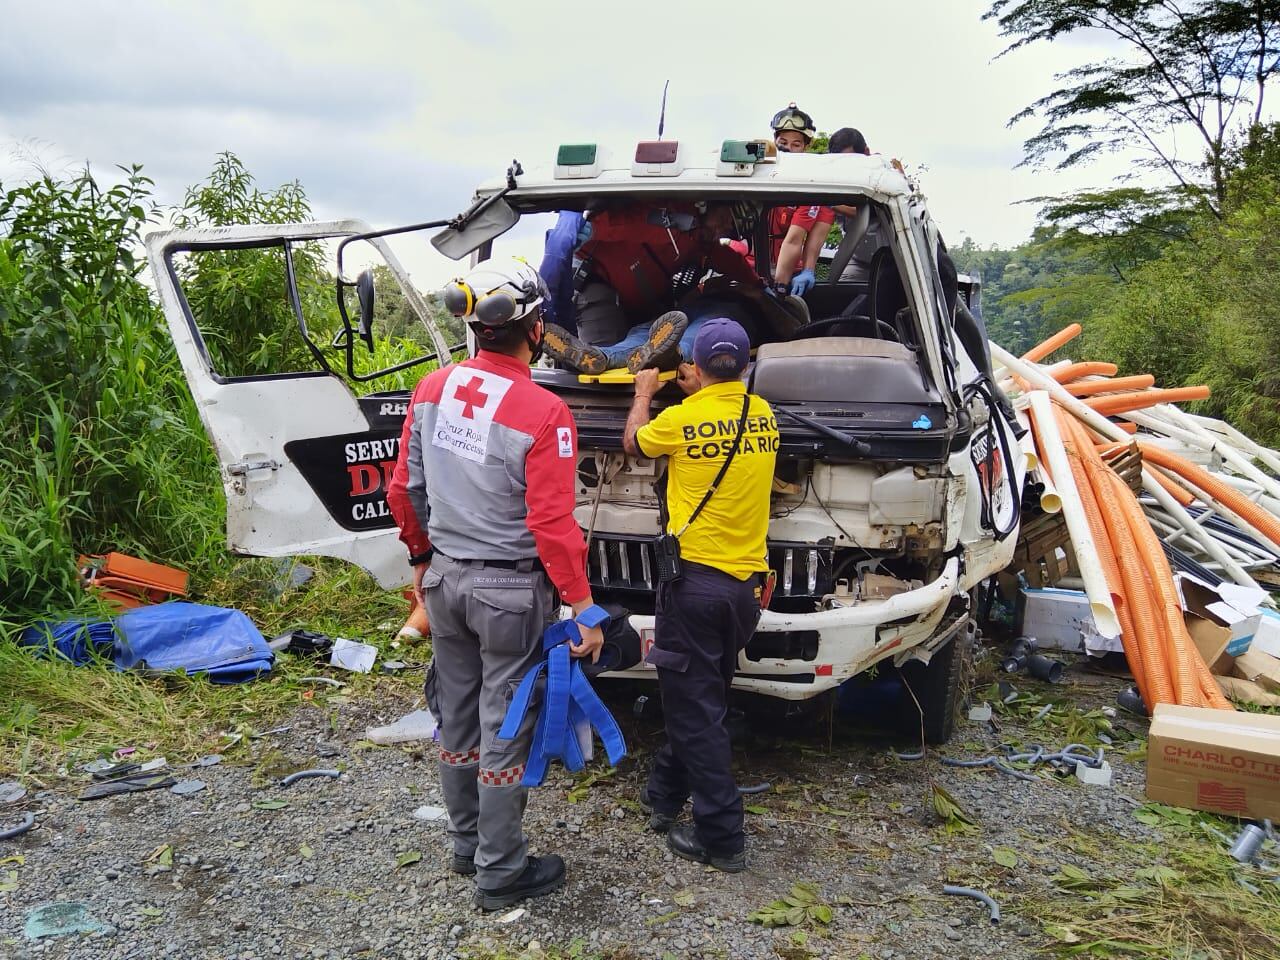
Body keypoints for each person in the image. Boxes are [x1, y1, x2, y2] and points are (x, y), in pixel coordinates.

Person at [385, 256, 605, 911]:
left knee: (456, 715)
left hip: (447, 581)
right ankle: (501, 870)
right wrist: (584, 605)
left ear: (476, 326)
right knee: (505, 727)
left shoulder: (431, 389)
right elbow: (552, 523)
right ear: (536, 329)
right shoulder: (544, 411)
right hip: (510, 593)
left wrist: (423, 561)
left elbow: (405, 488)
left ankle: (465, 843)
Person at [621, 319, 779, 872]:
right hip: (744, 592)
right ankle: (663, 797)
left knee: (694, 715)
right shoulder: (762, 417)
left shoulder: (680, 418)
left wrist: (645, 394)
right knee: (702, 699)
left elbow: (634, 442)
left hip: (694, 589)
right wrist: (706, 392)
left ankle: (722, 837)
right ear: (744, 365)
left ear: (695, 364)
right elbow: (722, 417)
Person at [542, 202, 763, 374]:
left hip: (723, 310)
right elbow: (630, 222)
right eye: (723, 220)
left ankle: (671, 354)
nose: (721, 231)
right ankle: (602, 356)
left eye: (729, 231)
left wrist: (755, 287)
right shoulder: (675, 221)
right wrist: (595, 229)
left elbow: (730, 260)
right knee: (645, 333)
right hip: (684, 306)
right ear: (710, 206)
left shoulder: (702, 244)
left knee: (703, 330)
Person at [767, 103, 836, 298]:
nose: (788, 148)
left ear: (806, 147)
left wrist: (779, 289)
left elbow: (794, 240)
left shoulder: (809, 188)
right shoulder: (758, 176)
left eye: (796, 144)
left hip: (787, 272)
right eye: (783, 142)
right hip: (749, 267)